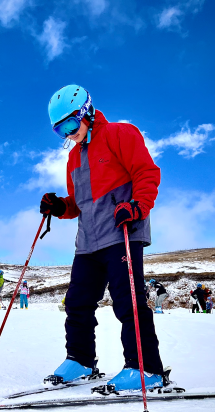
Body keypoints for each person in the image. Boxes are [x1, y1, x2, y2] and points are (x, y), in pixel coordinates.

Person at [39, 84, 168, 392]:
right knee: (77, 302)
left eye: (71, 124)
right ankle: (81, 360)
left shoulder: (121, 135)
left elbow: (147, 173)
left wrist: (137, 207)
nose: (69, 134)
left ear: (87, 112)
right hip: (87, 241)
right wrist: (60, 206)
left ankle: (146, 369)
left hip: (122, 232)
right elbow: (79, 204)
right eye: (60, 130)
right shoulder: (73, 159)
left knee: (128, 302)